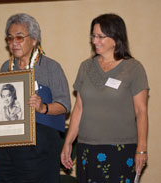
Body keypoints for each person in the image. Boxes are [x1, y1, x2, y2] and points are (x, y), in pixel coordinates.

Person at [61, 13, 149, 182]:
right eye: (93, 36)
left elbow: (141, 111)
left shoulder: (134, 68)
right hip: (87, 148)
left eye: (101, 36)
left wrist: (142, 149)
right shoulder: (85, 67)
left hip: (121, 149)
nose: (95, 41)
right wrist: (68, 142)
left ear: (116, 38)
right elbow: (79, 107)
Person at [0, 13, 71, 183]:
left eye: (19, 37)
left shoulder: (51, 67)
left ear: (34, 39)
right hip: (6, 145)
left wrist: (44, 108)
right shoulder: (6, 67)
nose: (14, 43)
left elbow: (65, 104)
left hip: (39, 145)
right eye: (10, 38)